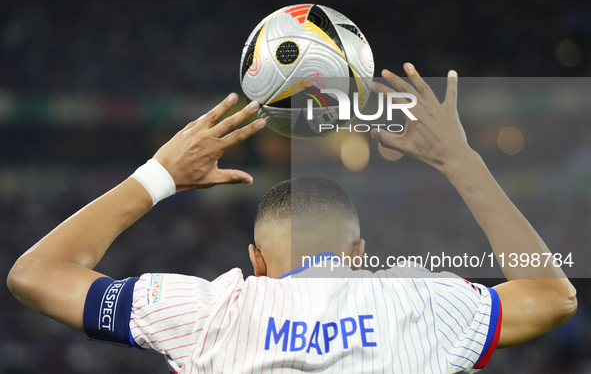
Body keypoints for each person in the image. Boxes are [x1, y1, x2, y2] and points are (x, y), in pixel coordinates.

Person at [7, 63, 576, 373]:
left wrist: (159, 175)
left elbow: (35, 275)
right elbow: (553, 298)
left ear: (255, 262)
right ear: (358, 255)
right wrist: (461, 159)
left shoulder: (207, 315)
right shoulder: (426, 304)